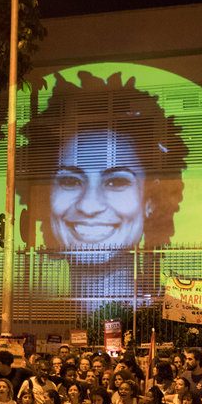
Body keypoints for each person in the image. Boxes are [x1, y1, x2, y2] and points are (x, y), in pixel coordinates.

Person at [17, 71, 188, 305]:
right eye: (70, 181)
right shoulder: (33, 311)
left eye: (116, 182)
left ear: (149, 200)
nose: (89, 206)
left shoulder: (162, 317)